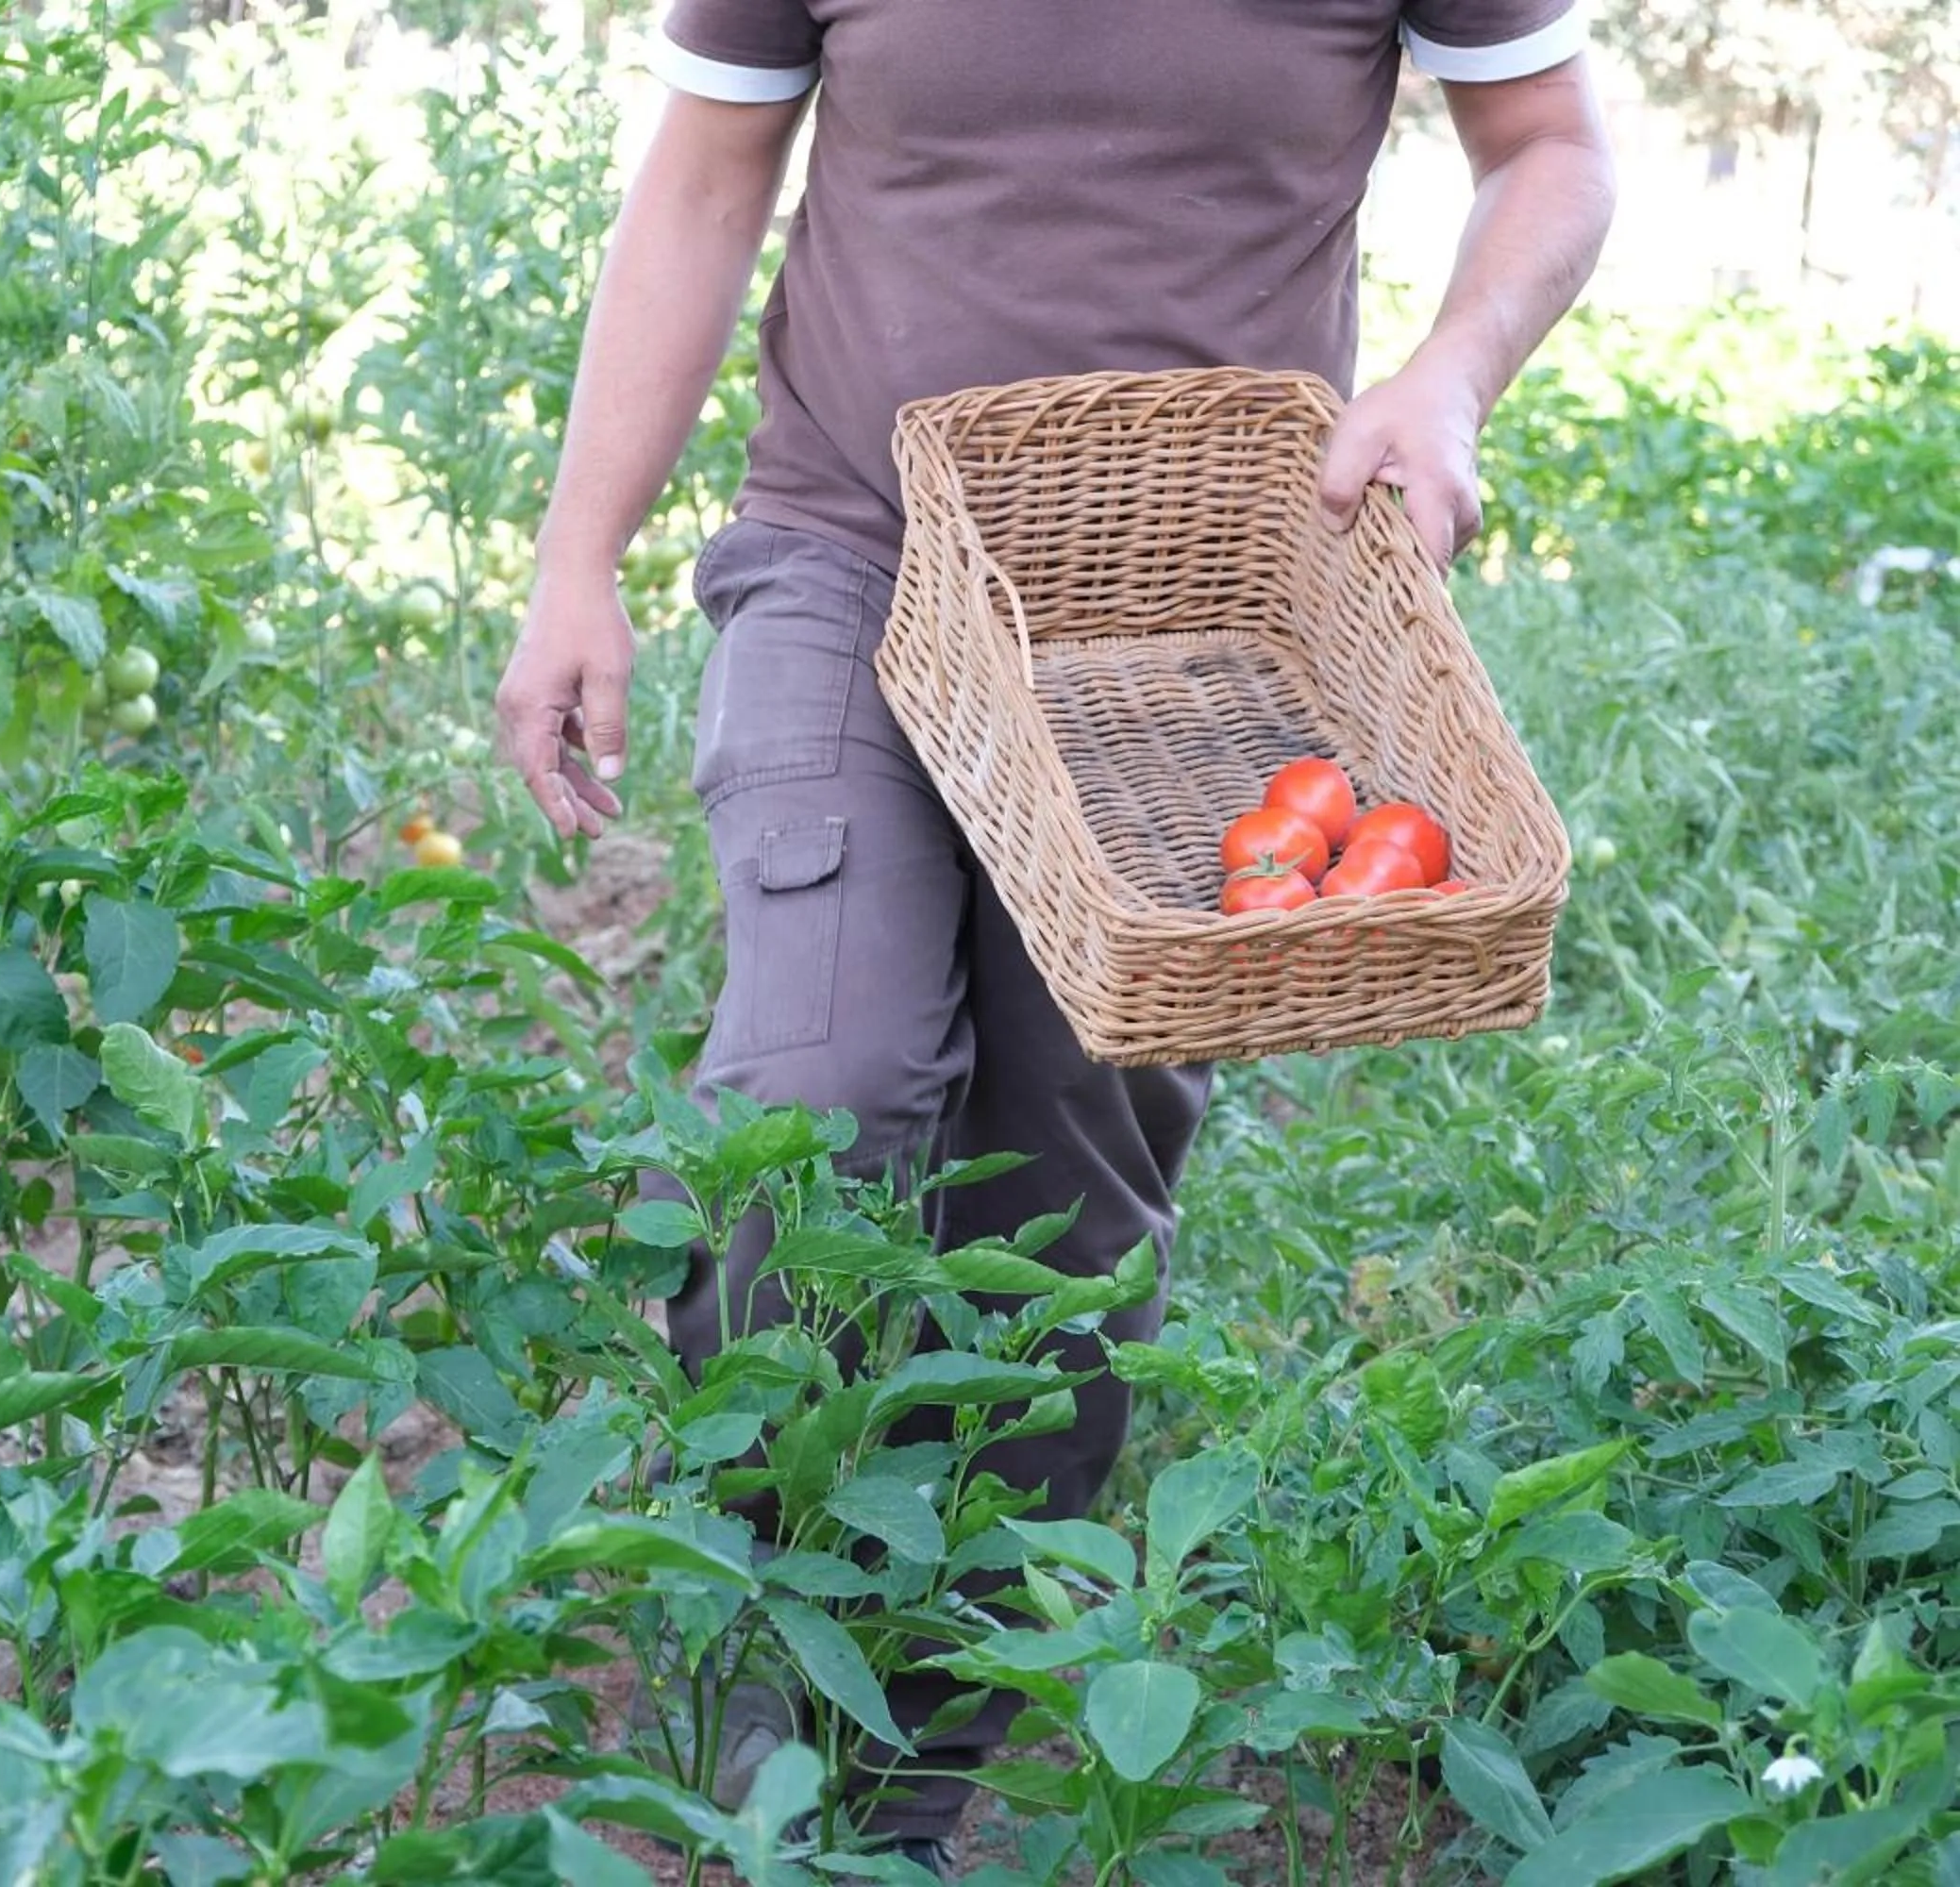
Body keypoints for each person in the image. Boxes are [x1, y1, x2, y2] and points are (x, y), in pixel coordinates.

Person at [494, 3, 1617, 1874]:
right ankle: (758, 1626)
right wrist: (573, 560)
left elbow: (1552, 147)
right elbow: (703, 178)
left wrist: (1451, 375)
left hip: (1197, 630)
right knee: (822, 1086)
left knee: (1062, 1224)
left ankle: (905, 1791)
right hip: (852, 559)